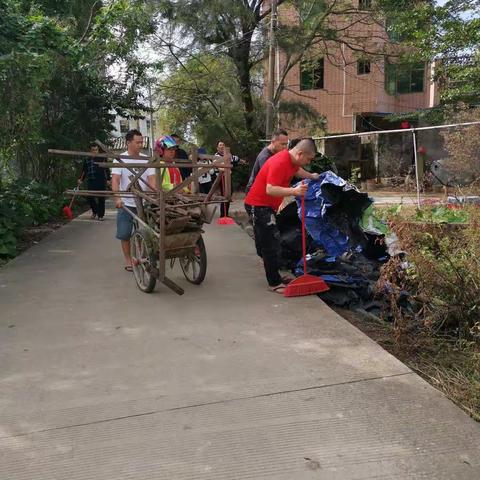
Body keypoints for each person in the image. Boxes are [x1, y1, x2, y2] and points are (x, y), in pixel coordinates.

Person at [244, 139, 320, 294]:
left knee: (266, 241)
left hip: (267, 206)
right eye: (308, 159)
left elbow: (297, 171)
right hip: (258, 206)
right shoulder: (279, 162)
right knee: (270, 243)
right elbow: (270, 189)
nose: (308, 162)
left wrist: (312, 176)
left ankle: (271, 268)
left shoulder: (292, 161)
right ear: (300, 154)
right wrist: (295, 191)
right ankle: (274, 282)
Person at [111, 129, 156, 272]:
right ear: (128, 143)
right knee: (125, 233)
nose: (141, 145)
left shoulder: (146, 159)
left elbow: (152, 180)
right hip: (126, 203)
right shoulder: (120, 159)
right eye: (138, 142)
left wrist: (152, 196)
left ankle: (144, 256)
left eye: (142, 142)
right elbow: (115, 181)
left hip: (144, 202)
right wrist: (118, 198)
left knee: (148, 233)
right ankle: (129, 260)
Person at [245, 129, 289, 217]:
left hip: (265, 194)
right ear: (273, 142)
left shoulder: (277, 154)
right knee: (263, 225)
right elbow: (272, 181)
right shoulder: (264, 158)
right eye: (282, 144)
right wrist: (283, 199)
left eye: (286, 144)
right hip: (255, 196)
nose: (285, 147)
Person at [79, 144, 111, 220]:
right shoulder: (87, 159)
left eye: (96, 150)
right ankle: (95, 211)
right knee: (90, 197)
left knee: (101, 198)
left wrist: (108, 179)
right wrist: (80, 179)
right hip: (91, 180)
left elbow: (107, 169)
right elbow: (84, 170)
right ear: (90, 151)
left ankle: (100, 215)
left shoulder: (102, 158)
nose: (95, 151)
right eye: (93, 150)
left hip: (101, 180)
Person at [214, 140, 242, 217]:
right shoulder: (216, 156)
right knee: (224, 195)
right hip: (221, 177)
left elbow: (235, 158)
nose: (222, 146)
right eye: (220, 145)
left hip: (228, 176)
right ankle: (223, 214)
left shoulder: (228, 154)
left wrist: (242, 161)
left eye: (223, 145)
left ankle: (226, 212)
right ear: (217, 148)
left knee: (229, 193)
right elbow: (218, 167)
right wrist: (226, 168)